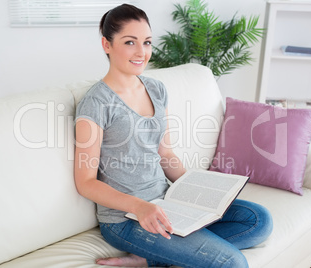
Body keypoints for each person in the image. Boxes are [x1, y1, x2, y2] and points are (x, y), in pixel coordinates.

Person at [74, 4, 273, 267]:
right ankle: (159, 254)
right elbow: (86, 181)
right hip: (125, 220)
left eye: (146, 42)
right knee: (232, 263)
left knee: (258, 220)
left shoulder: (156, 89)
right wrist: (139, 207)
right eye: (130, 42)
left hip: (166, 202)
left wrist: (200, 189)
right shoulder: (96, 103)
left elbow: (164, 153)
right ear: (106, 44)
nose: (141, 52)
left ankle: (153, 259)